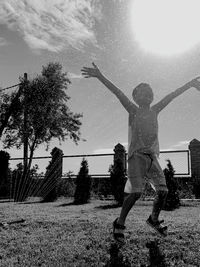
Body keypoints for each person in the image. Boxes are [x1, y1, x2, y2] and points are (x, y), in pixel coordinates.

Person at [81, 62, 200, 243]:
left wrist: (189, 84)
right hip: (136, 157)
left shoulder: (156, 109)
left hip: (152, 158)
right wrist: (100, 76)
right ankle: (119, 224)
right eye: (142, 92)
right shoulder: (132, 109)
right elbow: (117, 92)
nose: (147, 95)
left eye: (149, 92)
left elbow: (172, 95)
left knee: (163, 191)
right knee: (136, 193)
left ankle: (153, 219)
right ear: (135, 97)